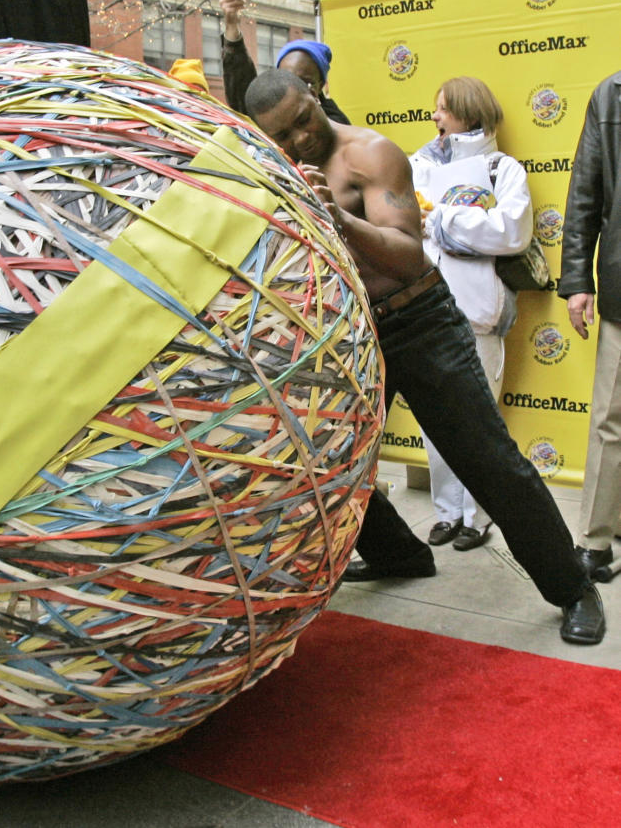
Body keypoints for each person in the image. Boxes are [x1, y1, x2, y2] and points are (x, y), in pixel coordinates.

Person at [242, 68, 605, 646]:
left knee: (489, 462)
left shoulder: (371, 153)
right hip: (355, 333)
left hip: (421, 319)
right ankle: (397, 554)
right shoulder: (278, 169)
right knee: (332, 463)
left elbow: (410, 256)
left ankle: (572, 589)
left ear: (316, 98)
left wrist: (337, 218)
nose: (302, 140)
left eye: (305, 120)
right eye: (284, 137)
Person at [408, 77, 532, 553]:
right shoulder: (416, 165)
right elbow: (402, 224)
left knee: (481, 424)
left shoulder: (504, 170)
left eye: (442, 109)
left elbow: (510, 232)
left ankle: (477, 519)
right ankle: (447, 514)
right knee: (434, 421)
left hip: (480, 313)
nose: (435, 117)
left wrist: (439, 220)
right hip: (428, 311)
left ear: (467, 111)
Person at [561, 69, 621, 582]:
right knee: (610, 420)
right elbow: (584, 194)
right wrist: (577, 278)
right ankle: (596, 543)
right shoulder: (610, 94)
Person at [220, 0, 349, 124]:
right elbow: (243, 91)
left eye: (304, 82)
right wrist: (231, 25)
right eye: (285, 78)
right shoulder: (268, 110)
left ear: (320, 85)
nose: (292, 88)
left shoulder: (336, 126)